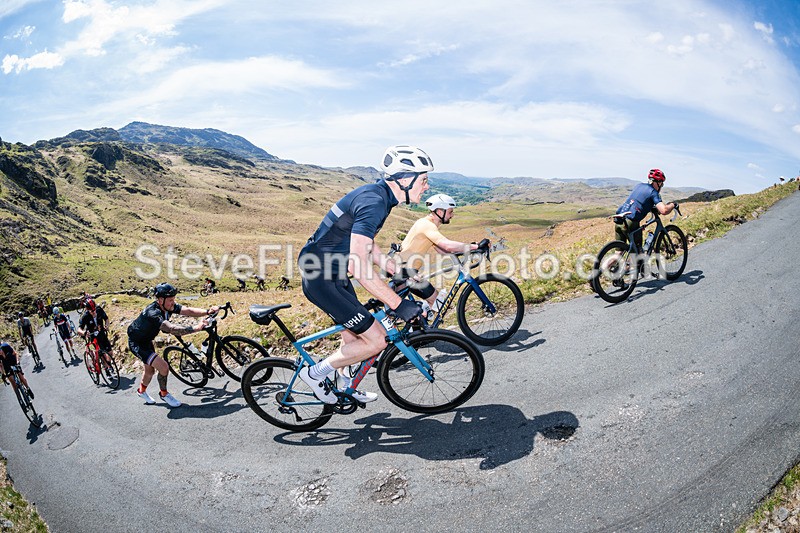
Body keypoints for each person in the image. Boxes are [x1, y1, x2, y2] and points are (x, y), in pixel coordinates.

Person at [296, 145, 432, 404]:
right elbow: (359, 265)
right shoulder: (374, 201)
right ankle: (315, 375)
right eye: (423, 180)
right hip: (321, 277)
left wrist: (396, 270)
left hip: (332, 272)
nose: (426, 186)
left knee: (352, 337)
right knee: (377, 339)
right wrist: (398, 303)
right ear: (405, 180)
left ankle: (344, 384)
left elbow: (368, 245)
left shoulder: (381, 196)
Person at [126, 282, 218, 407]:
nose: (173, 303)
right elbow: (172, 329)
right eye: (170, 300)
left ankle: (141, 391)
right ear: (160, 300)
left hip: (146, 340)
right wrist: (197, 328)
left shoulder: (167, 306)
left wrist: (207, 311)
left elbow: (188, 310)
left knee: (150, 372)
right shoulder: (153, 313)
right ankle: (164, 394)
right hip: (137, 343)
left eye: (174, 299)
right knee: (164, 368)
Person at [395, 193, 481, 312]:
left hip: (404, 270)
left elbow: (443, 250)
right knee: (437, 303)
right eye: (450, 212)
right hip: (405, 273)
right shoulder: (427, 225)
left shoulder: (426, 223)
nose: (452, 215)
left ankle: (421, 324)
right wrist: (475, 246)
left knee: (434, 303)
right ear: (440, 212)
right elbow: (447, 245)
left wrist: (468, 250)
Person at [614, 169, 678, 251]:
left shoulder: (639, 185)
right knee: (637, 255)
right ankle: (633, 263)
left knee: (618, 254)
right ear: (658, 182)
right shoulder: (653, 192)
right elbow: (664, 210)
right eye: (662, 183)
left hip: (619, 219)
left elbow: (639, 201)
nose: (661, 186)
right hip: (630, 222)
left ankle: (603, 264)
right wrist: (673, 204)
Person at [76, 299, 114, 366]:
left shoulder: (99, 309)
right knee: (103, 355)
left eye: (94, 310)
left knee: (110, 352)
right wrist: (84, 333)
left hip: (102, 334)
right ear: (88, 310)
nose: (94, 312)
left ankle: (108, 364)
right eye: (92, 311)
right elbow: (79, 329)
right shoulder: (85, 316)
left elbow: (106, 318)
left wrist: (107, 326)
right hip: (94, 337)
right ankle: (107, 371)